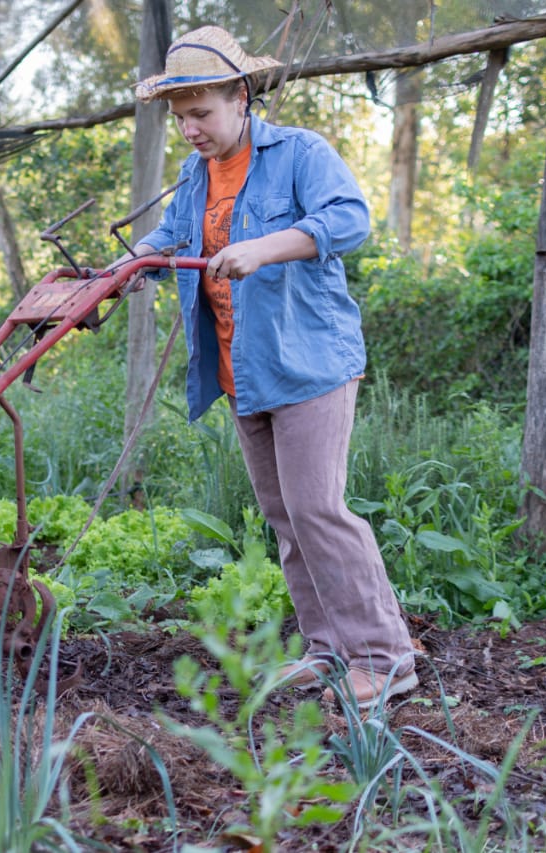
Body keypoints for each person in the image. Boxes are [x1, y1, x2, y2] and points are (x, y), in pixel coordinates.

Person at [129, 25, 418, 708]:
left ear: (241, 97)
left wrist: (264, 248)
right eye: (181, 118)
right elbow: (172, 234)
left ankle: (385, 658)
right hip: (244, 370)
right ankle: (328, 650)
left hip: (309, 362)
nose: (191, 130)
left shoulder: (300, 153)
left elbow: (349, 218)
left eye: (202, 113)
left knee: (318, 508)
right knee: (285, 515)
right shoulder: (195, 174)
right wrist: (130, 263)